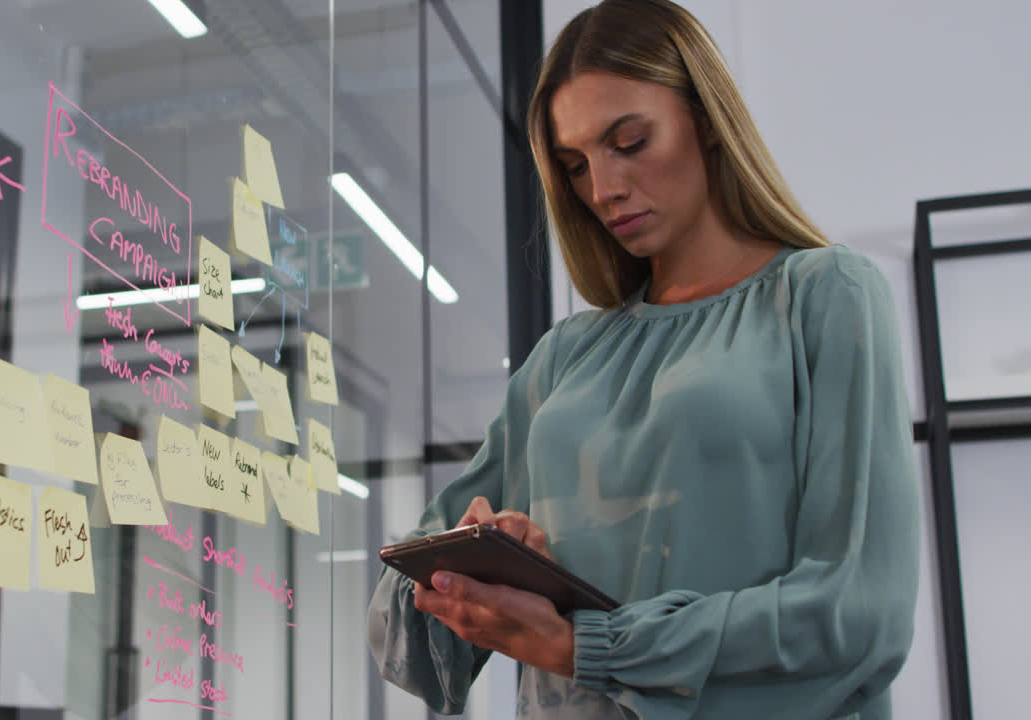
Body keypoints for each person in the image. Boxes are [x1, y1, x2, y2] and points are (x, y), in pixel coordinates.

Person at [366, 1, 920, 718]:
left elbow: (859, 609)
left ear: (708, 122)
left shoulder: (824, 296)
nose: (603, 189)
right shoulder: (565, 357)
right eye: (574, 166)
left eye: (628, 141)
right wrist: (473, 570)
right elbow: (403, 621)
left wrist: (586, 647)